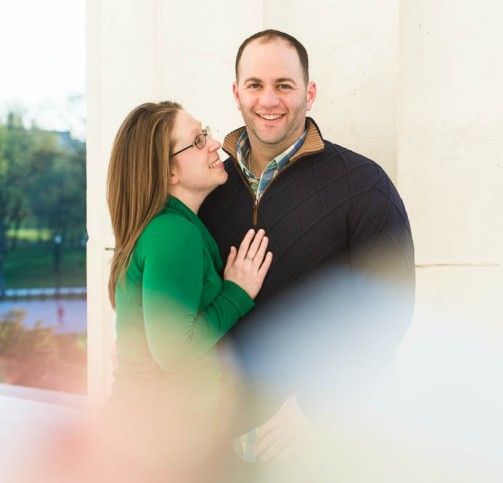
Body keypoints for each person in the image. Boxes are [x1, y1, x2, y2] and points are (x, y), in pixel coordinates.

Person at [198, 30, 415, 479]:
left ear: (309, 93)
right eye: (255, 85)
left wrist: (319, 406)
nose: (268, 100)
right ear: (236, 93)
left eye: (284, 85)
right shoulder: (206, 187)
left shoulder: (364, 184)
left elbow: (386, 309)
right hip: (217, 444)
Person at [102, 101, 273, 482]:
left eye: (205, 133)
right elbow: (175, 350)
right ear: (168, 171)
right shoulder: (172, 233)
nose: (215, 145)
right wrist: (236, 293)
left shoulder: (172, 227)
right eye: (197, 142)